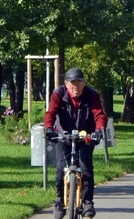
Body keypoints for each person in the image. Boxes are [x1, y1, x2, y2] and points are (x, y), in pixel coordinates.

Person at [43, 68, 108, 218]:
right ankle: (59, 201)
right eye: (72, 83)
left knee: (86, 166)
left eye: (79, 83)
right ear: (66, 84)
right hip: (63, 135)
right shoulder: (59, 94)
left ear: (84, 84)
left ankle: (87, 202)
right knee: (60, 168)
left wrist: (99, 131)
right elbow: (50, 113)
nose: (75, 87)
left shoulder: (91, 95)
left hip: (85, 136)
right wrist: (48, 129)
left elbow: (99, 115)